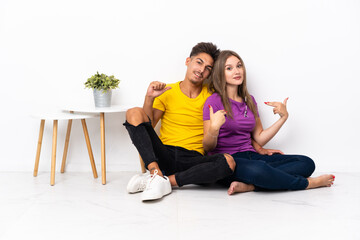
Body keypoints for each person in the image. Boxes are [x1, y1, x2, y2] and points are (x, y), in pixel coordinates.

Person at [203, 50, 335, 195]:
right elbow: (208, 147)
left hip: (252, 155)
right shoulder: (213, 101)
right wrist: (214, 129)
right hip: (229, 161)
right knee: (259, 170)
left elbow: (259, 137)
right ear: (220, 74)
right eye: (229, 68)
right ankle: (307, 183)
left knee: (306, 163)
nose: (237, 71)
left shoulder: (249, 100)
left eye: (239, 66)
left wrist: (283, 118)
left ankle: (251, 186)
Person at [123, 42, 238, 201]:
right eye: (199, 62)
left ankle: (164, 182)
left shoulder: (212, 96)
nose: (201, 70)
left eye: (208, 68)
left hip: (193, 160)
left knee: (228, 162)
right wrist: (149, 97)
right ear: (187, 61)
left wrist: (258, 146)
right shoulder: (167, 91)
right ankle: (155, 173)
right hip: (164, 154)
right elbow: (147, 124)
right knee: (133, 112)